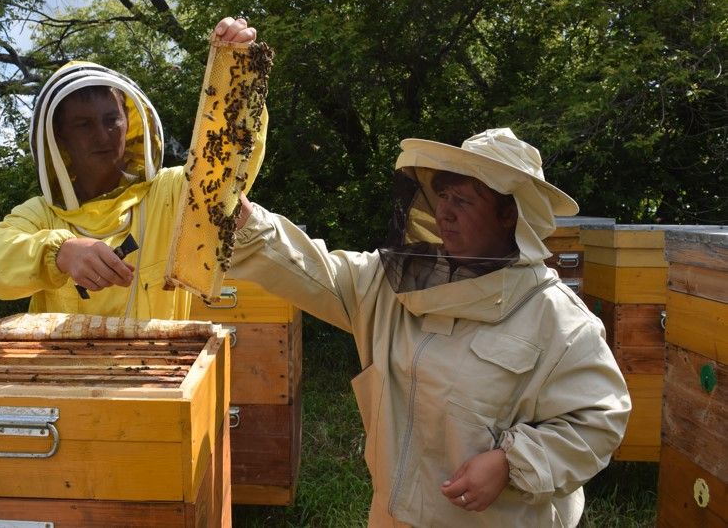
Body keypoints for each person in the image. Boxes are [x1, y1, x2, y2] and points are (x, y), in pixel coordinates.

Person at [229, 128, 631, 527]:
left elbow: (597, 421)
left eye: (464, 201)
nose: (444, 212)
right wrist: (245, 222)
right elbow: (315, 270)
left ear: (509, 215)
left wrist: (510, 463)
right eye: (443, 196)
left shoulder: (558, 319)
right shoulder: (396, 283)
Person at [0, 17, 260, 319]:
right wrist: (60, 253)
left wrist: (235, 75)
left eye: (111, 120)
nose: (102, 135)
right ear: (60, 137)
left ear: (129, 122)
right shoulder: (43, 215)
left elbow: (226, 165)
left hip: (159, 364)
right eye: (83, 125)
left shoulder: (171, 194)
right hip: (69, 367)